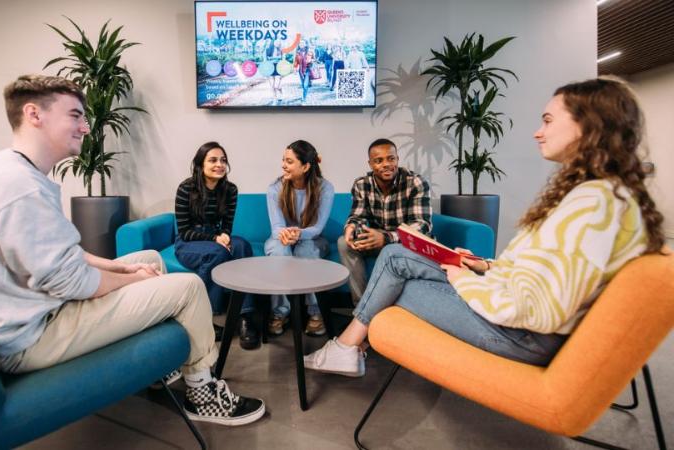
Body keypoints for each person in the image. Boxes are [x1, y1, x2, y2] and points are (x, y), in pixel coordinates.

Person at [0, 74, 265, 426]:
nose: (85, 127)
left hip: (32, 306)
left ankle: (162, 368)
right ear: (34, 114)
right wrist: (133, 280)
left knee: (150, 258)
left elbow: (65, 253)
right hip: (29, 336)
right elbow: (74, 283)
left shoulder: (17, 172)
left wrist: (123, 269)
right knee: (188, 286)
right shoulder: (19, 189)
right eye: (75, 115)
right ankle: (203, 392)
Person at [304, 78, 665, 377]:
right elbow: (547, 275)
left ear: (590, 126)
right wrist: (483, 266)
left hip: (519, 334)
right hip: (512, 313)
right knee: (391, 259)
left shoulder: (595, 203)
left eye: (548, 121)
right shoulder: (598, 196)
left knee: (394, 274)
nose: (538, 133)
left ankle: (347, 345)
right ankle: (349, 345)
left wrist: (465, 282)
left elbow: (542, 312)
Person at [174, 142, 260, 350]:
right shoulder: (186, 188)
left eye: (223, 160)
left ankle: (245, 316)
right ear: (200, 164)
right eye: (213, 160)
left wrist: (224, 235)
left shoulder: (230, 190)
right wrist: (215, 239)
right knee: (218, 252)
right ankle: (204, 319)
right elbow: (184, 231)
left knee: (242, 246)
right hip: (189, 242)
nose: (219, 164)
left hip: (215, 238)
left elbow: (227, 225)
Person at [339, 138, 432, 304]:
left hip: (408, 244)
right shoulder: (362, 185)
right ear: (370, 164)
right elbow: (357, 216)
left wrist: (387, 238)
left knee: (390, 250)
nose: (386, 164)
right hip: (378, 240)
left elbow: (422, 225)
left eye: (391, 158)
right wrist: (351, 227)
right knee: (344, 243)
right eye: (378, 160)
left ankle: (387, 310)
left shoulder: (415, 183)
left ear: (397, 159)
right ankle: (362, 307)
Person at [265, 140, 334, 336]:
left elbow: (317, 228)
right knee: (279, 252)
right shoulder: (275, 188)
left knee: (306, 250)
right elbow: (276, 227)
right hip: (282, 239)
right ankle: (279, 312)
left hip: (312, 238)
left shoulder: (325, 188)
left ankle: (315, 312)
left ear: (305, 167)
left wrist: (299, 234)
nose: (283, 165)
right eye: (283, 160)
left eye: (289, 161)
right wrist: (286, 235)